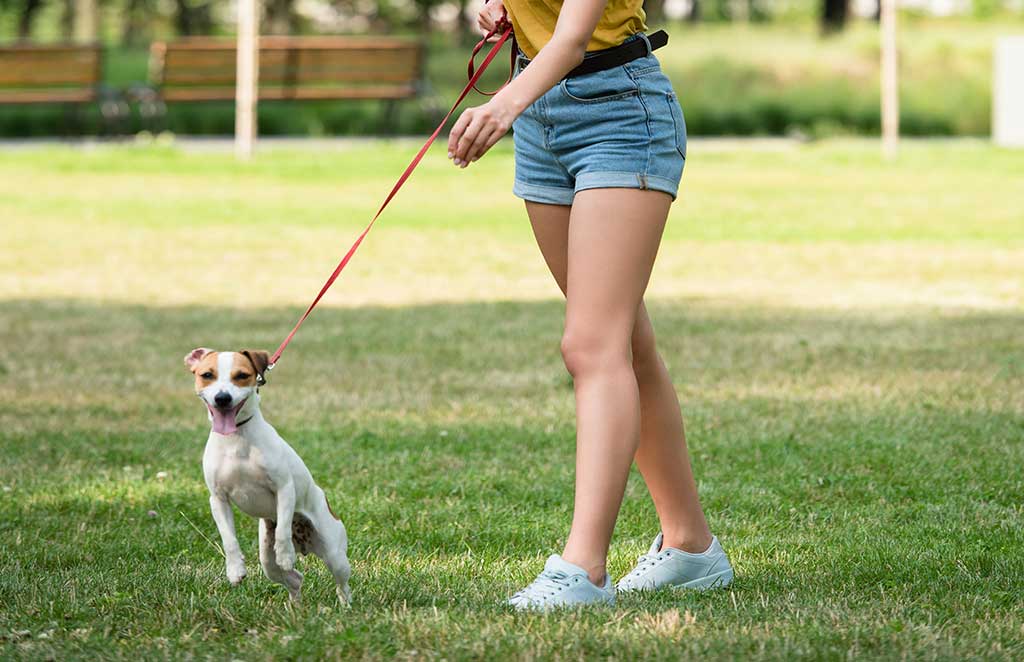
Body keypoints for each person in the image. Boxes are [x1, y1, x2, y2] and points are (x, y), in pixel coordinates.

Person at [447, 0, 734, 610]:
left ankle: (584, 568)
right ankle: (690, 547)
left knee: (590, 345)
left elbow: (575, 37)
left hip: (618, 114)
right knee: (624, 340)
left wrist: (502, 104)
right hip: (542, 116)